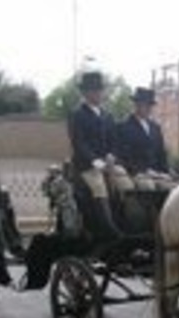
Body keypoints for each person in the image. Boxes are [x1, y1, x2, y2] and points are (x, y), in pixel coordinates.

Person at [68, 70, 123, 240]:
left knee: (125, 181)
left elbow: (114, 141)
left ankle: (126, 222)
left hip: (108, 163)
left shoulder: (107, 116)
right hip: (86, 166)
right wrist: (94, 160)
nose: (98, 94)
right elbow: (79, 142)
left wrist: (112, 155)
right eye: (93, 91)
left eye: (99, 90)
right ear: (86, 93)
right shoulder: (78, 115)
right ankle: (108, 227)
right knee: (98, 184)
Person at [115, 87, 173, 191]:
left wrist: (165, 172)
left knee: (171, 187)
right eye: (146, 105)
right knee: (148, 186)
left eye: (151, 105)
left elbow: (161, 154)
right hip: (136, 172)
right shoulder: (124, 127)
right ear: (137, 105)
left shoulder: (156, 128)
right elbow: (123, 155)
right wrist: (143, 170)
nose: (149, 108)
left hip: (156, 173)